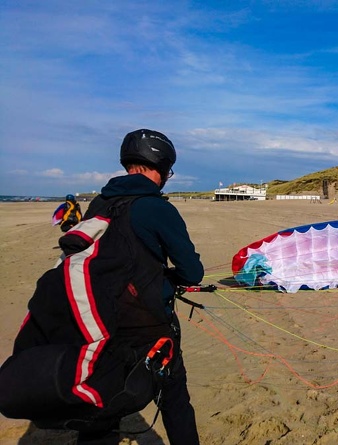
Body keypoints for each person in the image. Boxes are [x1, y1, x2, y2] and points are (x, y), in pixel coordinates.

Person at [76, 129, 204, 444]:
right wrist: (170, 277)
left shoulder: (99, 204)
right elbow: (192, 271)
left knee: (104, 407)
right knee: (174, 398)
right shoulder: (157, 208)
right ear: (159, 166)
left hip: (94, 321)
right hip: (148, 326)